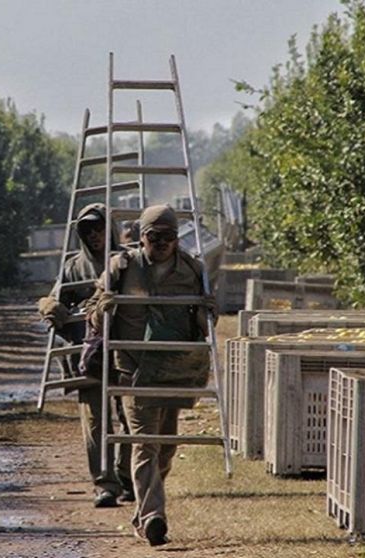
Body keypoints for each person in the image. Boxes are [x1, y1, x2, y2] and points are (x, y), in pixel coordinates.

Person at [84, 204, 215, 546]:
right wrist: (104, 307)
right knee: (145, 443)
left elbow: (203, 324)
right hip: (135, 370)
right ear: (141, 236)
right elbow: (94, 318)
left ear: (177, 238)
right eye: (153, 236)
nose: (161, 243)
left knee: (166, 447)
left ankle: (143, 512)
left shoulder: (191, 269)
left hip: (174, 369)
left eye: (168, 236)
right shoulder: (121, 267)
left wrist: (207, 313)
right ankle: (155, 516)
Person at [37, 203, 134, 508]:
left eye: (100, 228)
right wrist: (51, 308)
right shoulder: (73, 267)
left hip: (126, 352)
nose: (94, 235)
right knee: (94, 421)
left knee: (131, 416)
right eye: (87, 230)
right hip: (87, 355)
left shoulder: (130, 261)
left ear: (111, 227)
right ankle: (104, 484)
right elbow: (56, 301)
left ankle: (128, 477)